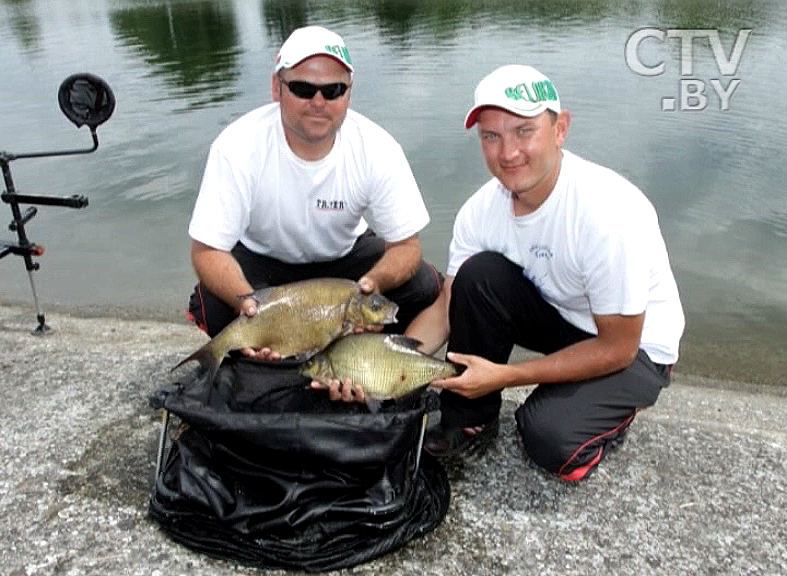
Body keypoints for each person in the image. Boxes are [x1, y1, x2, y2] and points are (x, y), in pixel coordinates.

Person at [405, 64, 685, 481]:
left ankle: (616, 411)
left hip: (636, 347)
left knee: (547, 439)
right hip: (568, 318)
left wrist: (509, 376)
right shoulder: (479, 211)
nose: (507, 152)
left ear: (560, 128)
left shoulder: (607, 212)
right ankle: (470, 419)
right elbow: (447, 305)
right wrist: (387, 364)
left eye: (523, 131)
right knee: (476, 277)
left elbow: (618, 348)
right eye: (491, 136)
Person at [186, 25, 441, 359]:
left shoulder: (378, 148)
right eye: (303, 89)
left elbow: (407, 245)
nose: (318, 102)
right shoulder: (236, 146)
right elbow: (206, 250)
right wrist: (250, 305)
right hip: (264, 263)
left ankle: (369, 359)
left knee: (425, 284)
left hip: (345, 264)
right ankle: (269, 348)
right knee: (214, 304)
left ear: (349, 92)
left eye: (333, 90)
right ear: (277, 87)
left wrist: (370, 287)